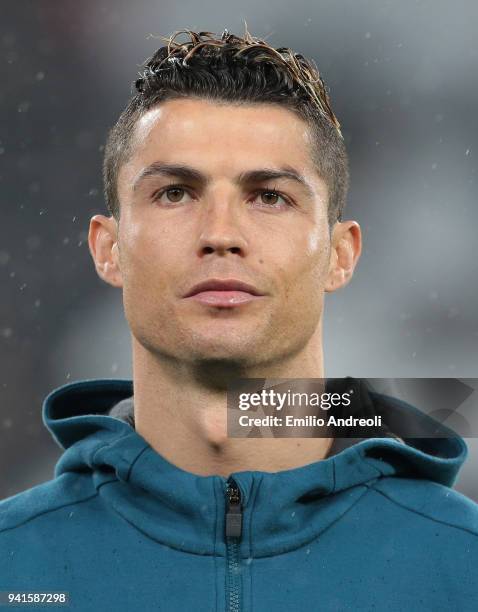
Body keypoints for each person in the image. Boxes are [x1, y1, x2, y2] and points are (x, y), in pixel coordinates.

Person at [1, 29, 477, 612]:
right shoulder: (13, 568)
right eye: (176, 193)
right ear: (108, 248)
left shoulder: (462, 569)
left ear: (340, 254)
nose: (220, 234)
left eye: (270, 196)